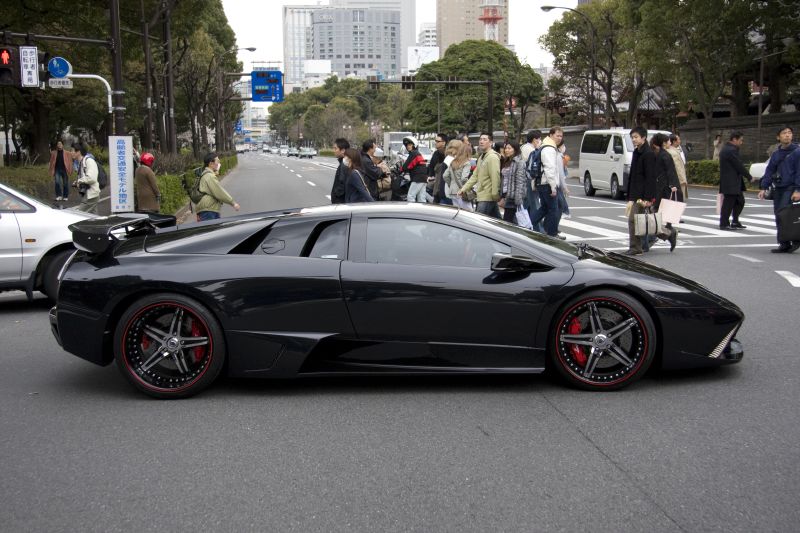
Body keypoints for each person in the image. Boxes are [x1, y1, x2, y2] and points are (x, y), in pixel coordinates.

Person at [758, 126, 800, 253]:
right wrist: (764, 187)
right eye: (784, 133)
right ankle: (784, 243)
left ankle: (795, 239)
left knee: (786, 214)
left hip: (791, 187)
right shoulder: (776, 154)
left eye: (789, 133)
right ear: (778, 137)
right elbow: (770, 170)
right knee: (779, 215)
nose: (787, 135)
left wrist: (798, 189)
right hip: (779, 188)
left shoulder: (797, 152)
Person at [623, 126, 658, 256]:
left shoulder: (648, 154)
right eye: (632, 137)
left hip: (642, 195)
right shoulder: (636, 152)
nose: (633, 139)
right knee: (644, 220)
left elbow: (650, 177)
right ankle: (668, 234)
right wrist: (630, 195)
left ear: (644, 138)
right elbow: (633, 175)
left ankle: (635, 247)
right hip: (635, 193)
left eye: (636, 137)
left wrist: (648, 198)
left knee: (634, 220)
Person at [530, 127, 563, 238]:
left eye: (561, 136)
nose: (559, 138)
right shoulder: (549, 148)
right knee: (554, 209)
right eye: (557, 135)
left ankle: (528, 225)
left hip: (542, 183)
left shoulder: (545, 146)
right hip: (547, 184)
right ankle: (552, 234)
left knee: (544, 208)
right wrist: (553, 187)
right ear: (551, 135)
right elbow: (549, 168)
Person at [458, 132, 501, 218]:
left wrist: (495, 195)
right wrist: (463, 189)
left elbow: (495, 177)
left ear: (491, 143)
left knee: (477, 222)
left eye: (485, 139)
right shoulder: (482, 157)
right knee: (498, 224)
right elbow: (475, 176)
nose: (481, 141)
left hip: (487, 197)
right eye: (480, 139)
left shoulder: (492, 157)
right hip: (482, 196)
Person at [650, 133, 679, 251]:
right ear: (663, 143)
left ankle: (666, 233)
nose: (669, 143)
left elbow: (669, 171)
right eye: (668, 141)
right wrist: (673, 185)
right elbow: (670, 171)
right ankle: (668, 231)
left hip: (661, 188)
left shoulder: (661, 154)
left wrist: (672, 185)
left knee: (655, 214)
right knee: (657, 214)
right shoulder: (663, 155)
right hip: (663, 188)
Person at [718, 131, 751, 231]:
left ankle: (735, 221)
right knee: (728, 203)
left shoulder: (728, 149)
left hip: (733, 181)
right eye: (740, 140)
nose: (742, 142)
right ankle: (724, 223)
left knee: (740, 201)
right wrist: (749, 176)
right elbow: (738, 165)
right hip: (730, 182)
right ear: (734, 139)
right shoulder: (730, 150)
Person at [195, 152, 240, 221]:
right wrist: (233, 203)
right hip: (208, 210)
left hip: (207, 209)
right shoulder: (210, 176)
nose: (219, 163)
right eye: (217, 161)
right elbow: (219, 192)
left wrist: (215, 172)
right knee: (212, 230)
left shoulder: (207, 174)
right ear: (211, 163)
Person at [499, 141, 527, 224]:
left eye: (509, 148)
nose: (506, 150)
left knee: (508, 221)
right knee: (511, 221)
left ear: (515, 149)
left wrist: (518, 200)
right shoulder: (507, 161)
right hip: (506, 195)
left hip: (513, 197)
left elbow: (520, 181)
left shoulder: (519, 162)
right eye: (506, 148)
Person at [522, 130, 544, 233]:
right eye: (539, 139)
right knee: (535, 206)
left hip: (523, 181)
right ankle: (539, 230)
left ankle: (527, 226)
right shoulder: (531, 150)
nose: (540, 141)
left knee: (527, 205)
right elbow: (533, 168)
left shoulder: (523, 148)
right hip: (530, 181)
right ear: (535, 140)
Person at [443, 139, 474, 211]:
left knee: (457, 212)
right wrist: (467, 187)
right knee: (469, 212)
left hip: (452, 191)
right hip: (462, 191)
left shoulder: (453, 162)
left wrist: (451, 184)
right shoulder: (466, 163)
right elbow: (464, 178)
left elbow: (445, 175)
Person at [72, 144, 100, 214]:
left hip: (91, 195)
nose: (70, 153)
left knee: (79, 215)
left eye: (72, 151)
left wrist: (79, 181)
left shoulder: (89, 161)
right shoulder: (81, 162)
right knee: (93, 218)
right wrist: (78, 182)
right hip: (89, 194)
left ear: (78, 152)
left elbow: (92, 178)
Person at [401, 136, 429, 203]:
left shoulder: (414, 153)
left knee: (410, 196)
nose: (408, 146)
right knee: (421, 199)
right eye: (407, 145)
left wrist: (400, 169)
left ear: (414, 145)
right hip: (423, 178)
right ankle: (422, 212)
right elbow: (412, 165)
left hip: (417, 178)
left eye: (410, 145)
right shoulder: (417, 153)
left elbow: (406, 166)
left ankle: (412, 212)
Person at [429, 133, 449, 204]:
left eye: (438, 141)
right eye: (435, 141)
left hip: (445, 188)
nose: (436, 143)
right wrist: (430, 176)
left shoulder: (449, 154)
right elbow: (431, 167)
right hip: (436, 185)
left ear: (444, 143)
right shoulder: (436, 153)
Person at [667, 134, 688, 201]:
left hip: (677, 180)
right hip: (679, 180)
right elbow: (677, 168)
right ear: (674, 141)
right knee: (678, 201)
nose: (680, 141)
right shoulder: (673, 152)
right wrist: (682, 179)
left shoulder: (675, 150)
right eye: (678, 139)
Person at [330, 138, 350, 204]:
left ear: (343, 150)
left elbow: (342, 185)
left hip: (340, 204)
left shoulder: (345, 164)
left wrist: (336, 196)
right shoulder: (344, 162)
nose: (334, 151)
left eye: (335, 148)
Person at [557, 142, 571, 223]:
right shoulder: (559, 156)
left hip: (558, 183)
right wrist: (565, 187)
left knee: (559, 203)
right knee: (560, 203)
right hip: (557, 183)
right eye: (562, 145)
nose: (564, 147)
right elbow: (561, 173)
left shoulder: (561, 156)